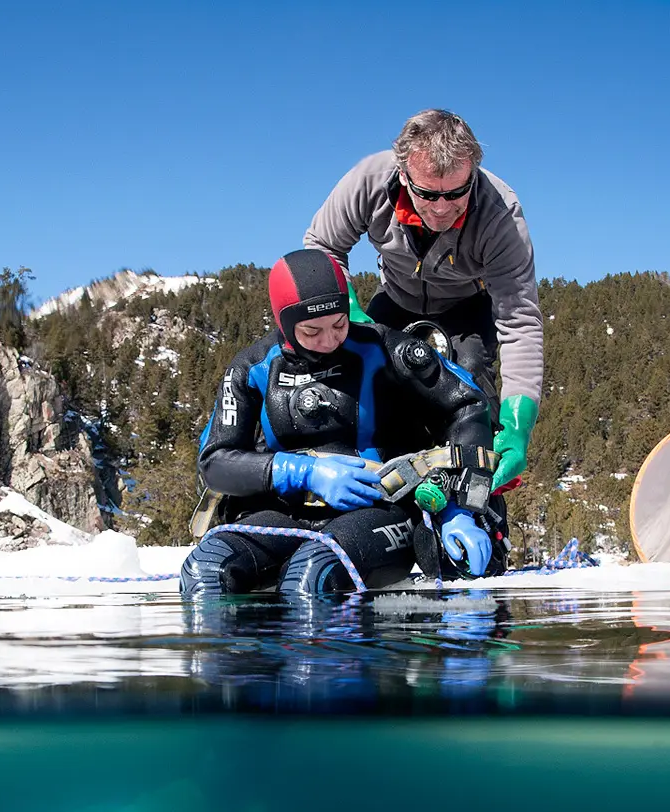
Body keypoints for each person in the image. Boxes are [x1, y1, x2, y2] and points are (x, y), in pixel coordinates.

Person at [181, 248, 497, 597]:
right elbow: (215, 462)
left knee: (313, 577)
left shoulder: (382, 347)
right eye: (312, 330)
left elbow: (468, 405)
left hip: (378, 510)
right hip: (282, 512)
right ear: (285, 324)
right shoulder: (252, 369)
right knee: (204, 572)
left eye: (339, 324)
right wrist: (302, 472)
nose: (329, 340)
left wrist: (460, 507)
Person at [304, 108, 543, 494]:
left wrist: (518, 427)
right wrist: (350, 313)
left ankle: (477, 506)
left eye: (457, 192)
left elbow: (519, 322)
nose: (442, 208)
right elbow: (323, 248)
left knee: (474, 393)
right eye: (428, 193)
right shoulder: (368, 180)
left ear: (473, 174)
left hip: (466, 307)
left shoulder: (502, 214)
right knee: (364, 378)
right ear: (403, 174)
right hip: (394, 299)